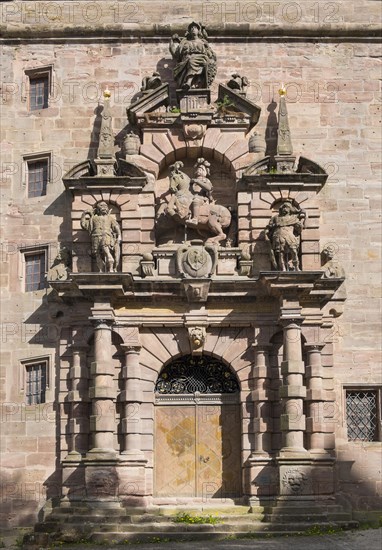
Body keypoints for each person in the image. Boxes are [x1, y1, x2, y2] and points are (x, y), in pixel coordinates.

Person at [169, 22, 217, 90]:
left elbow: (210, 54)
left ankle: (189, 82)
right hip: (186, 60)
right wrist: (172, 41)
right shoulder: (185, 43)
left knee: (191, 60)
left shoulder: (203, 42)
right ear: (189, 31)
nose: (193, 29)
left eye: (195, 28)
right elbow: (175, 54)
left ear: (198, 30)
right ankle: (190, 82)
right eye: (191, 28)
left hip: (202, 59)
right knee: (189, 60)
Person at [80, 201, 121, 272]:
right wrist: (84, 214)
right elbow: (84, 226)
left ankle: (111, 268)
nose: (104, 208)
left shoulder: (110, 218)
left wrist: (119, 236)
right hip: (95, 237)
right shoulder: (93, 218)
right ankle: (101, 270)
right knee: (97, 254)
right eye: (102, 206)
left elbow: (116, 227)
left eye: (105, 207)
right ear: (98, 209)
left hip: (106, 236)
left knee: (106, 250)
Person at [265, 201, 306, 271]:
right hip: (278, 236)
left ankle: (296, 266)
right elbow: (269, 227)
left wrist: (301, 221)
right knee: (280, 253)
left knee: (294, 251)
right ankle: (283, 268)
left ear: (290, 209)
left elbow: (299, 228)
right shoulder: (276, 218)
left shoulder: (294, 218)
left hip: (290, 236)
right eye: (283, 207)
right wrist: (267, 233)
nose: (284, 209)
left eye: (286, 207)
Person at [186, 158, 213, 227]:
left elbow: (209, 188)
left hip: (202, 198)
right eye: (198, 169)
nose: (198, 171)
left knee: (196, 201)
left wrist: (198, 182)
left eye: (200, 169)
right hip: (191, 197)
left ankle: (195, 219)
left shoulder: (206, 180)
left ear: (204, 171)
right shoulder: (192, 181)